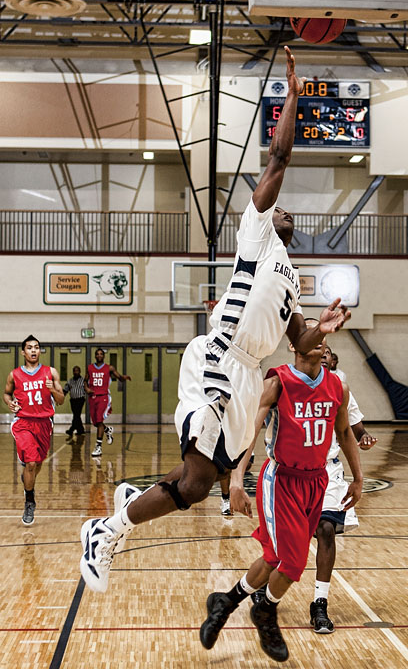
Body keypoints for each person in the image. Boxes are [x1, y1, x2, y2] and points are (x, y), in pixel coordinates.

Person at [79, 46, 351, 597]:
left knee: (203, 486)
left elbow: (297, 340)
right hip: (219, 357)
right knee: (199, 476)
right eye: (278, 206)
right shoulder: (257, 233)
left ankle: (122, 508)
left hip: (250, 376)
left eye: (289, 211)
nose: (285, 209)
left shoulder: (292, 278)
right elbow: (278, 160)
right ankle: (106, 532)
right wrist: (292, 100)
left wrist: (321, 329)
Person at [201, 320, 363, 662]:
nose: (320, 341)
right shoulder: (277, 382)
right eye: (313, 335)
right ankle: (265, 612)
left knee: (275, 558)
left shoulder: (338, 387)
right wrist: (235, 481)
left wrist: (357, 478)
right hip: (282, 480)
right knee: (293, 563)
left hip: (317, 481)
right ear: (294, 344)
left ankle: (226, 601)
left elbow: (346, 432)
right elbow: (250, 432)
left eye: (324, 338)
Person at [309, 344, 377, 634]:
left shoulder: (340, 388)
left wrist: (364, 437)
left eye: (327, 352)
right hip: (291, 471)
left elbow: (353, 428)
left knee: (326, 530)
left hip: (329, 471)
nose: (322, 354)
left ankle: (319, 603)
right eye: (318, 350)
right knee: (288, 542)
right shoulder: (283, 384)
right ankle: (265, 584)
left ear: (332, 360)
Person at [3, 335, 64, 525]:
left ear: (40, 350)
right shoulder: (14, 375)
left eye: (36, 347)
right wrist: (9, 403)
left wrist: (52, 390)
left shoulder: (50, 372)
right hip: (23, 423)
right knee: (30, 462)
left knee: (37, 463)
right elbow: (6, 393)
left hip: (44, 423)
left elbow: (61, 399)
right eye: (29, 348)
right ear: (23, 352)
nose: (33, 350)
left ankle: (27, 479)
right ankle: (29, 501)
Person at [84, 348, 131, 458]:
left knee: (100, 419)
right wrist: (86, 388)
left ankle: (98, 446)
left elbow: (119, 377)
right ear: (95, 356)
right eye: (97, 354)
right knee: (96, 423)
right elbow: (85, 381)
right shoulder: (90, 367)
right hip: (93, 397)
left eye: (101, 354)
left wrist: (125, 377)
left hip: (104, 397)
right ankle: (107, 430)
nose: (99, 355)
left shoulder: (109, 368)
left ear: (104, 356)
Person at [63, 365, 86, 437]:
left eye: (77, 371)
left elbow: (87, 389)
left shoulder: (83, 381)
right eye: (74, 371)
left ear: (80, 372)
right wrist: (61, 397)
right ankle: (80, 430)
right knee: (77, 415)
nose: (76, 372)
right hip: (73, 400)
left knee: (76, 414)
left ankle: (71, 429)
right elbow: (65, 390)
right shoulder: (70, 381)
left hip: (80, 399)